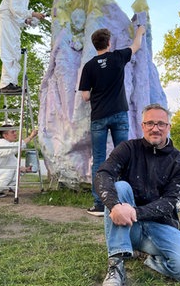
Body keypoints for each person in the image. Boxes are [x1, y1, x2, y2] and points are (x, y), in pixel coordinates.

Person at [95, 103, 180, 285]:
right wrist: (114, 205)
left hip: (162, 226)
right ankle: (116, 264)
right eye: (150, 123)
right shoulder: (128, 148)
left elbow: (169, 201)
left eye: (161, 124)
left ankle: (148, 258)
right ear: (142, 126)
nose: (155, 128)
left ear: (168, 127)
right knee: (120, 187)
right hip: (129, 227)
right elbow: (103, 174)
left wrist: (135, 212)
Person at [78, 25, 146, 216]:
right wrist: (140, 31)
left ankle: (99, 203)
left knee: (99, 160)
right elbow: (136, 46)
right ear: (109, 43)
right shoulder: (118, 57)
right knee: (123, 157)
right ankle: (125, 199)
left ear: (94, 45)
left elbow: (84, 96)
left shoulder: (89, 66)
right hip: (119, 114)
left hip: (99, 116)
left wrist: (97, 94)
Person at [0, 0, 45, 94]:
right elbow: (15, 9)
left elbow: (19, 17)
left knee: (15, 54)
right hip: (5, 23)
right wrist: (32, 13)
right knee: (8, 53)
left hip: (13, 26)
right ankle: (6, 84)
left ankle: (11, 83)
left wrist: (28, 20)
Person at [0, 126, 38, 198]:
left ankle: (3, 189)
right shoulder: (1, 143)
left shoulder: (7, 147)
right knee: (11, 169)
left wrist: (25, 169)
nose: (15, 133)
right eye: (12, 132)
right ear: (5, 135)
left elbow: (14, 163)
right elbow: (16, 147)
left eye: (15, 131)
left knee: (15, 170)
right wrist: (30, 137)